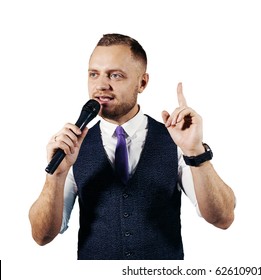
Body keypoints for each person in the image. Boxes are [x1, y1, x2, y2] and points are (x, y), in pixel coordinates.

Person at [28, 33, 235, 260]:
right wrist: (55, 177)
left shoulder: (174, 140)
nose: (101, 85)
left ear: (142, 82)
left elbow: (222, 218)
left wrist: (195, 152)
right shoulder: (72, 149)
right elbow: (42, 236)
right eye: (93, 74)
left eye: (115, 75)